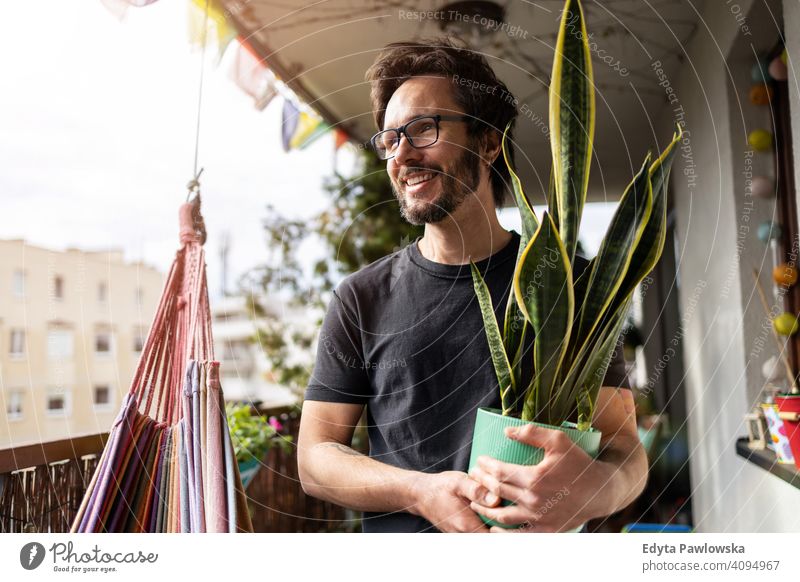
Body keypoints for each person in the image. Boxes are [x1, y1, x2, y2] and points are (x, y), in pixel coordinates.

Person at [297, 38, 647, 533]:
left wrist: (596, 490)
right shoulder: (361, 298)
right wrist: (421, 492)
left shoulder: (571, 286)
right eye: (391, 139)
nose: (403, 155)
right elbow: (314, 458)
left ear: (488, 141)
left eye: (423, 129)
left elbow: (624, 451)